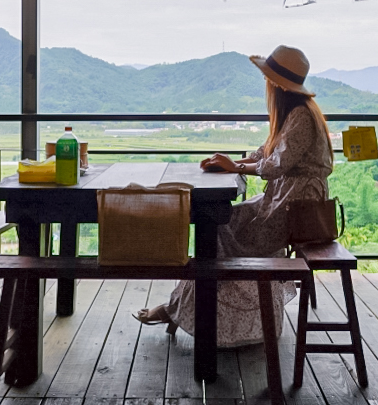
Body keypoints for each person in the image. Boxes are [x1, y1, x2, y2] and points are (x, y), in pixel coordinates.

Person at [134, 45, 334, 346]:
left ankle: (182, 311)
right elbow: (268, 153)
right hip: (285, 201)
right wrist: (232, 163)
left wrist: (236, 166)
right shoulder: (295, 113)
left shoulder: (300, 116)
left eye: (268, 78)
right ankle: (187, 311)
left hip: (292, 208)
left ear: (277, 84)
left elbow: (277, 164)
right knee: (222, 222)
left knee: (220, 227)